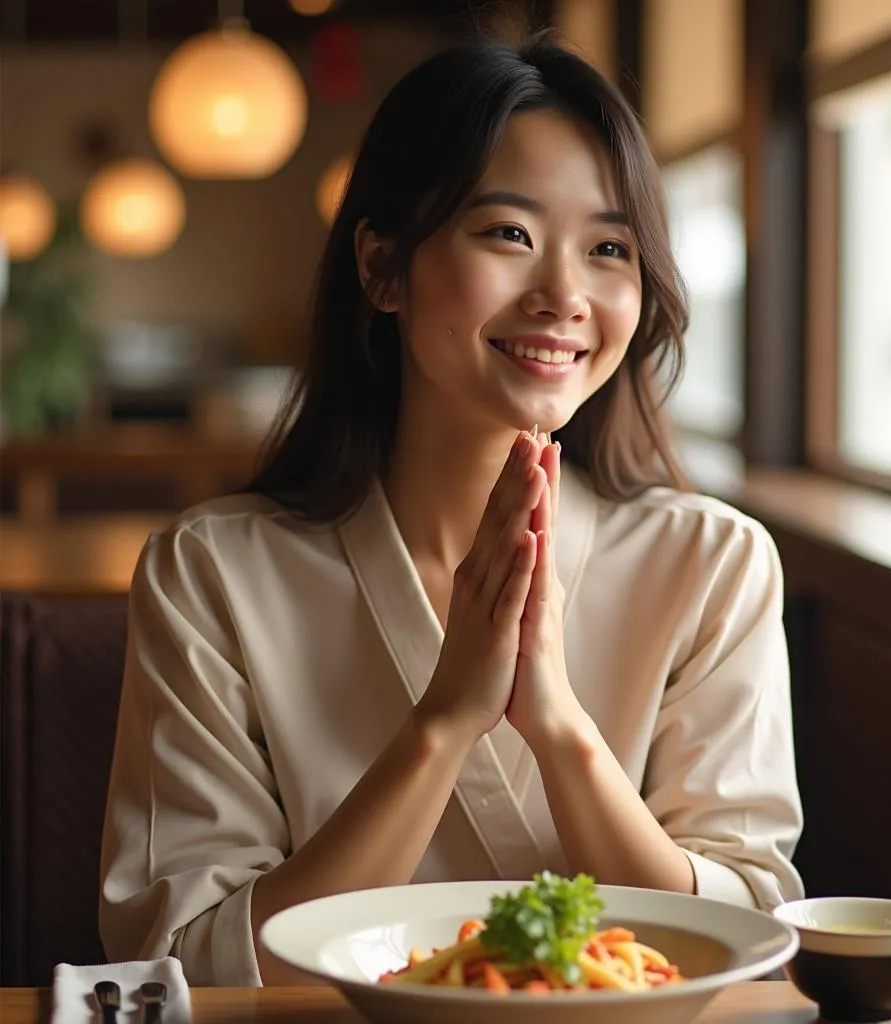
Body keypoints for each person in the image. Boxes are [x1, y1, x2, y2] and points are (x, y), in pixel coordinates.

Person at [99, 34, 804, 987]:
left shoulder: (713, 564)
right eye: (508, 233)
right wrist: (443, 722)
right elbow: (179, 962)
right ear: (383, 268)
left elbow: (752, 934)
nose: (564, 294)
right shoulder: (212, 571)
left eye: (608, 249)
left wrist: (557, 728)